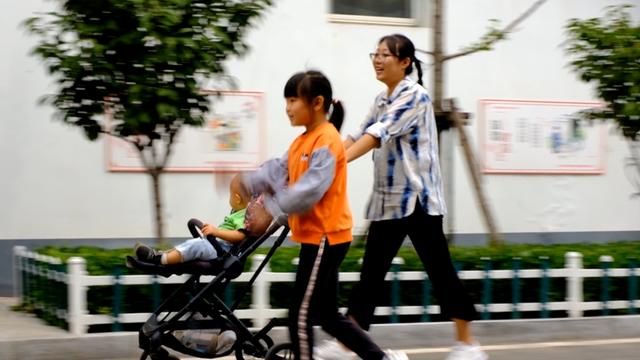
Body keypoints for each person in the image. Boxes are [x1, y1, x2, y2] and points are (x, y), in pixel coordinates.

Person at [315, 34, 488, 360]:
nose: (377, 60)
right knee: (370, 274)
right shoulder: (381, 99)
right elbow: (355, 134)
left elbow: (377, 134)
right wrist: (325, 158)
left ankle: (468, 344)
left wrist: (336, 163)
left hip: (417, 201)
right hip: (388, 202)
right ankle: (346, 344)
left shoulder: (416, 96)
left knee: (441, 272)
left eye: (385, 55)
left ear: (405, 61)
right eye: (375, 54)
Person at [241, 70, 406, 360]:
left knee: (299, 317)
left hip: (325, 237)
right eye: (286, 100)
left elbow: (309, 190)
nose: (288, 107)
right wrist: (246, 181)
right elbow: (277, 171)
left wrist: (272, 209)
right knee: (327, 315)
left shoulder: (327, 141)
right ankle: (379, 358)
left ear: (317, 102)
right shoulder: (302, 141)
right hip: (318, 237)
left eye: (293, 100)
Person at [134, 173, 250, 265]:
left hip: (223, 252)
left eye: (230, 194)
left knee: (195, 246)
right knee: (192, 244)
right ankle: (162, 255)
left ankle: (160, 260)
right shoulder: (238, 213)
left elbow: (241, 235)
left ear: (237, 198)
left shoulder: (244, 215)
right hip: (217, 246)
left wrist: (216, 232)